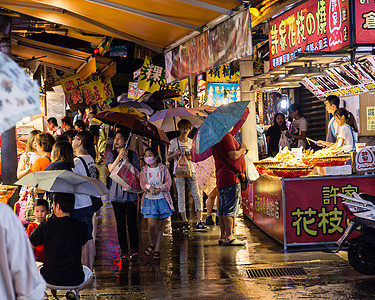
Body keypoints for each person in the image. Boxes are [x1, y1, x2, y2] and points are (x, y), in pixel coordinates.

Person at [29, 193, 91, 299]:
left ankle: (42, 294)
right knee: (89, 275)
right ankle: (73, 291)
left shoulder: (45, 226)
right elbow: (83, 245)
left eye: (53, 204)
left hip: (48, 279)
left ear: (57, 206)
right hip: (75, 279)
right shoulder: (82, 226)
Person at [106, 130, 140, 260]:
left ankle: (135, 249)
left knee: (132, 223)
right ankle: (124, 250)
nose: (117, 140)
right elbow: (110, 169)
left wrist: (127, 161)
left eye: (120, 138)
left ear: (126, 141)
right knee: (120, 224)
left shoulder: (132, 154)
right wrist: (118, 157)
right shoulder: (112, 154)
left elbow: (137, 171)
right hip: (116, 194)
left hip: (130, 193)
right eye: (116, 138)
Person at [167, 119, 207, 233]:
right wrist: (176, 153)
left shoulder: (192, 142)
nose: (185, 130)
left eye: (188, 128)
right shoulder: (173, 142)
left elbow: (197, 157)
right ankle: (185, 222)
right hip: (179, 172)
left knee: (197, 195)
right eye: (183, 128)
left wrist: (191, 157)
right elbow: (168, 158)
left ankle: (199, 221)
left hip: (192, 171)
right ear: (179, 129)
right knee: (181, 196)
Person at [0, 202, 46, 300]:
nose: (40, 214)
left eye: (42, 211)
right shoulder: (4, 214)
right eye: (37, 211)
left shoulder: (4, 214)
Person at [211, 133, 247, 246]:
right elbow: (233, 156)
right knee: (230, 209)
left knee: (222, 208)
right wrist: (242, 149)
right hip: (230, 177)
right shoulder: (226, 137)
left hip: (222, 177)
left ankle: (223, 236)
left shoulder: (215, 138)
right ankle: (229, 237)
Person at [139, 148, 174, 261]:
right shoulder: (144, 170)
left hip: (162, 199)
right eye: (145, 156)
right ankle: (151, 243)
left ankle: (157, 249)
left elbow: (168, 181)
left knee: (159, 226)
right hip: (149, 200)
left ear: (155, 157)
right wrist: (150, 188)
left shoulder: (163, 168)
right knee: (151, 224)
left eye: (150, 155)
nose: (147, 158)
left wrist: (161, 188)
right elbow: (143, 183)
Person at [72, 130, 96, 271]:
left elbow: (74, 182)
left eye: (75, 138)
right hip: (90, 203)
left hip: (80, 203)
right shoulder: (90, 159)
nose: (73, 141)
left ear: (80, 141)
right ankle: (90, 269)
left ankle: (84, 269)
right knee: (89, 237)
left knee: (82, 239)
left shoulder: (77, 161)